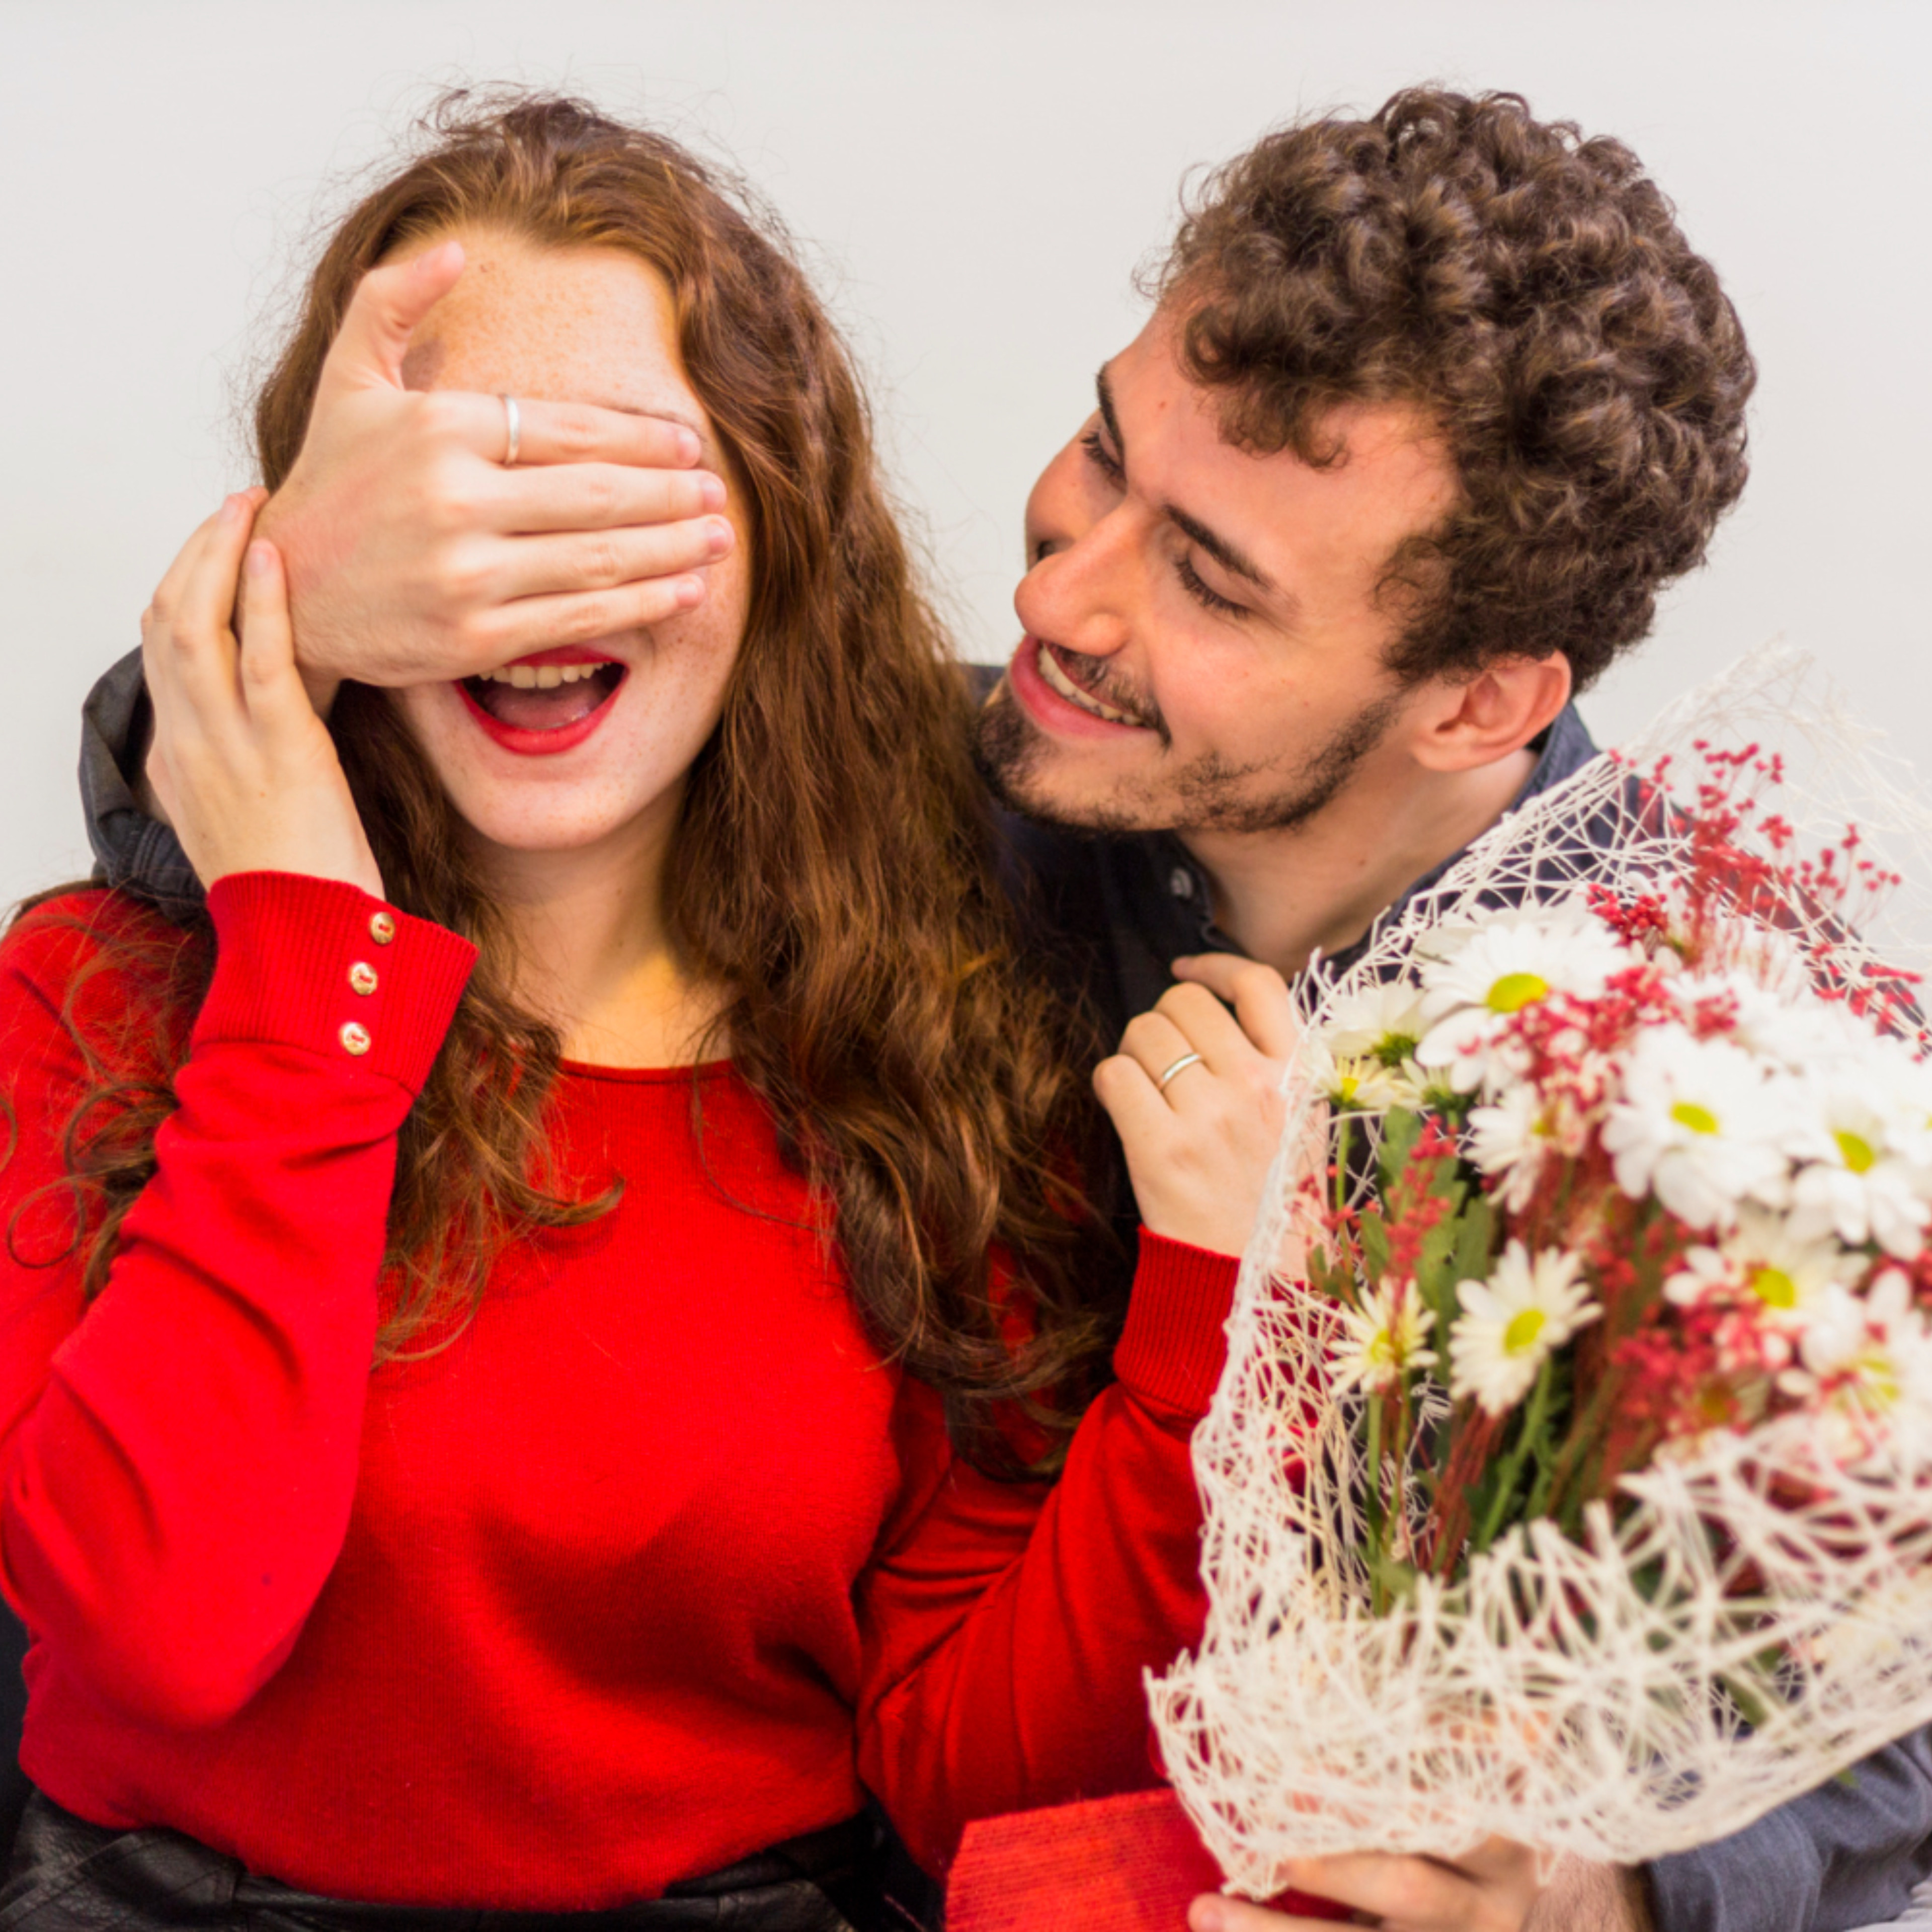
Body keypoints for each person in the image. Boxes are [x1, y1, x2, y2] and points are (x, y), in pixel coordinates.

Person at [42, 86, 1932, 1932]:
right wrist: (308, 598)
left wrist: (1612, 1894)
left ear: (1476, 702)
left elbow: (1895, 1670)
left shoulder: (1734, 1073)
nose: (1064, 596)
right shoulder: (951, 792)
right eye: (1107, 452)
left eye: (1209, 582)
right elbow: (297, 815)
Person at [0, 95, 1299, 1929]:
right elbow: (159, 1632)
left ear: (780, 528)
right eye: (471, 501)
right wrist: (305, 957)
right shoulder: (94, 999)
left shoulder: (947, 1055)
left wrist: (1204, 1341)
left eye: (623, 494)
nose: (540, 586)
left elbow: (980, 1782)